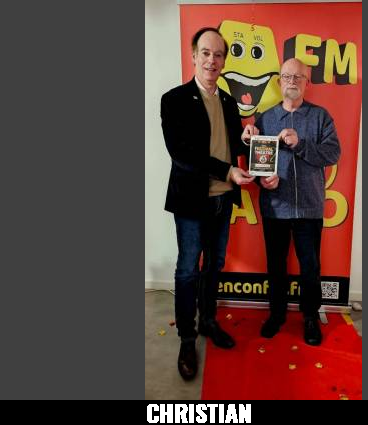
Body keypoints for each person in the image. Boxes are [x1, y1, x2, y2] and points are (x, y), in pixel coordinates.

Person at [161, 27, 254, 380]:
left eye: (218, 55)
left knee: (214, 264)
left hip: (223, 200)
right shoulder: (174, 99)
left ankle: (208, 321)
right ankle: (187, 338)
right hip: (191, 202)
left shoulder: (229, 101)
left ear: (223, 61)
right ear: (193, 55)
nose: (212, 60)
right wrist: (228, 171)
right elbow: (182, 153)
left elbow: (233, 146)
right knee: (188, 269)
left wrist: (247, 139)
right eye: (205, 53)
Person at [241, 58, 340, 346]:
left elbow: (333, 153)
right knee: (276, 265)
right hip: (275, 207)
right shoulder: (265, 119)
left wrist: (301, 143)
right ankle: (277, 314)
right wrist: (262, 181)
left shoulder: (320, 116)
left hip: (309, 207)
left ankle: (310, 317)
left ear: (307, 82)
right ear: (279, 82)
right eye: (287, 76)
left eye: (298, 77)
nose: (292, 82)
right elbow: (255, 161)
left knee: (310, 266)